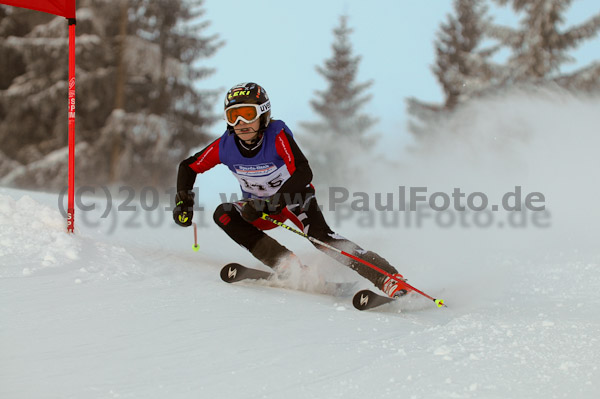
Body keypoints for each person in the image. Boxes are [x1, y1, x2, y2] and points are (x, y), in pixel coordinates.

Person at [173, 82, 410, 297]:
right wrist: (184, 202)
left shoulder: (277, 134)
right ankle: (286, 265)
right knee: (224, 214)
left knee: (321, 239)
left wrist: (279, 198)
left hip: (295, 199)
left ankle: (389, 279)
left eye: (247, 114)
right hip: (259, 207)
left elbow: (303, 171)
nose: (241, 124)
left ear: (263, 114)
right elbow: (188, 166)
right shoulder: (225, 146)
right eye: (233, 116)